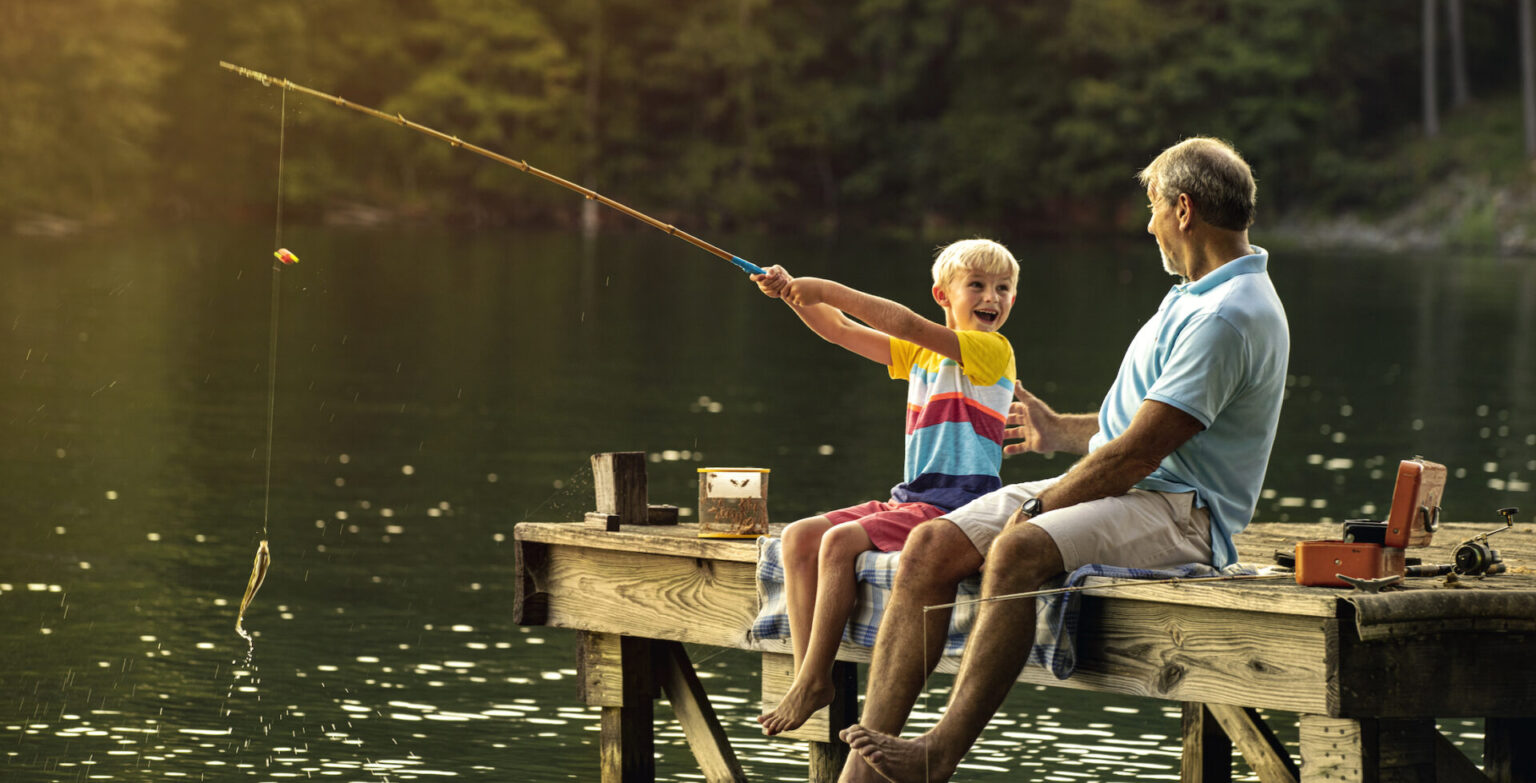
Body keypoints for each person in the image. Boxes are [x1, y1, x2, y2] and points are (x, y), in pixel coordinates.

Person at [836, 137, 1290, 782]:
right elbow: (1138, 426)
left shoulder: (1229, 315)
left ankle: (938, 755)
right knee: (931, 545)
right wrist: (1061, 431)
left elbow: (1139, 453)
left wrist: (1041, 506)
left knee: (1019, 550)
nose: (1151, 223)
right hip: (1132, 490)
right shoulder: (1193, 295)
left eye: (1155, 207)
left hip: (1180, 513)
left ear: (1184, 210)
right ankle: (864, 772)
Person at [749, 239, 1020, 736]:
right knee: (799, 537)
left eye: (1003, 288)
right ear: (944, 294)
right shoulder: (921, 354)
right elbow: (838, 329)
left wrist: (824, 287)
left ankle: (814, 680)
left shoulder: (992, 351)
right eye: (977, 286)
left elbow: (906, 323)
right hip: (913, 497)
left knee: (838, 543)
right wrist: (792, 292)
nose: (992, 297)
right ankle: (807, 671)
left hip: (956, 503)